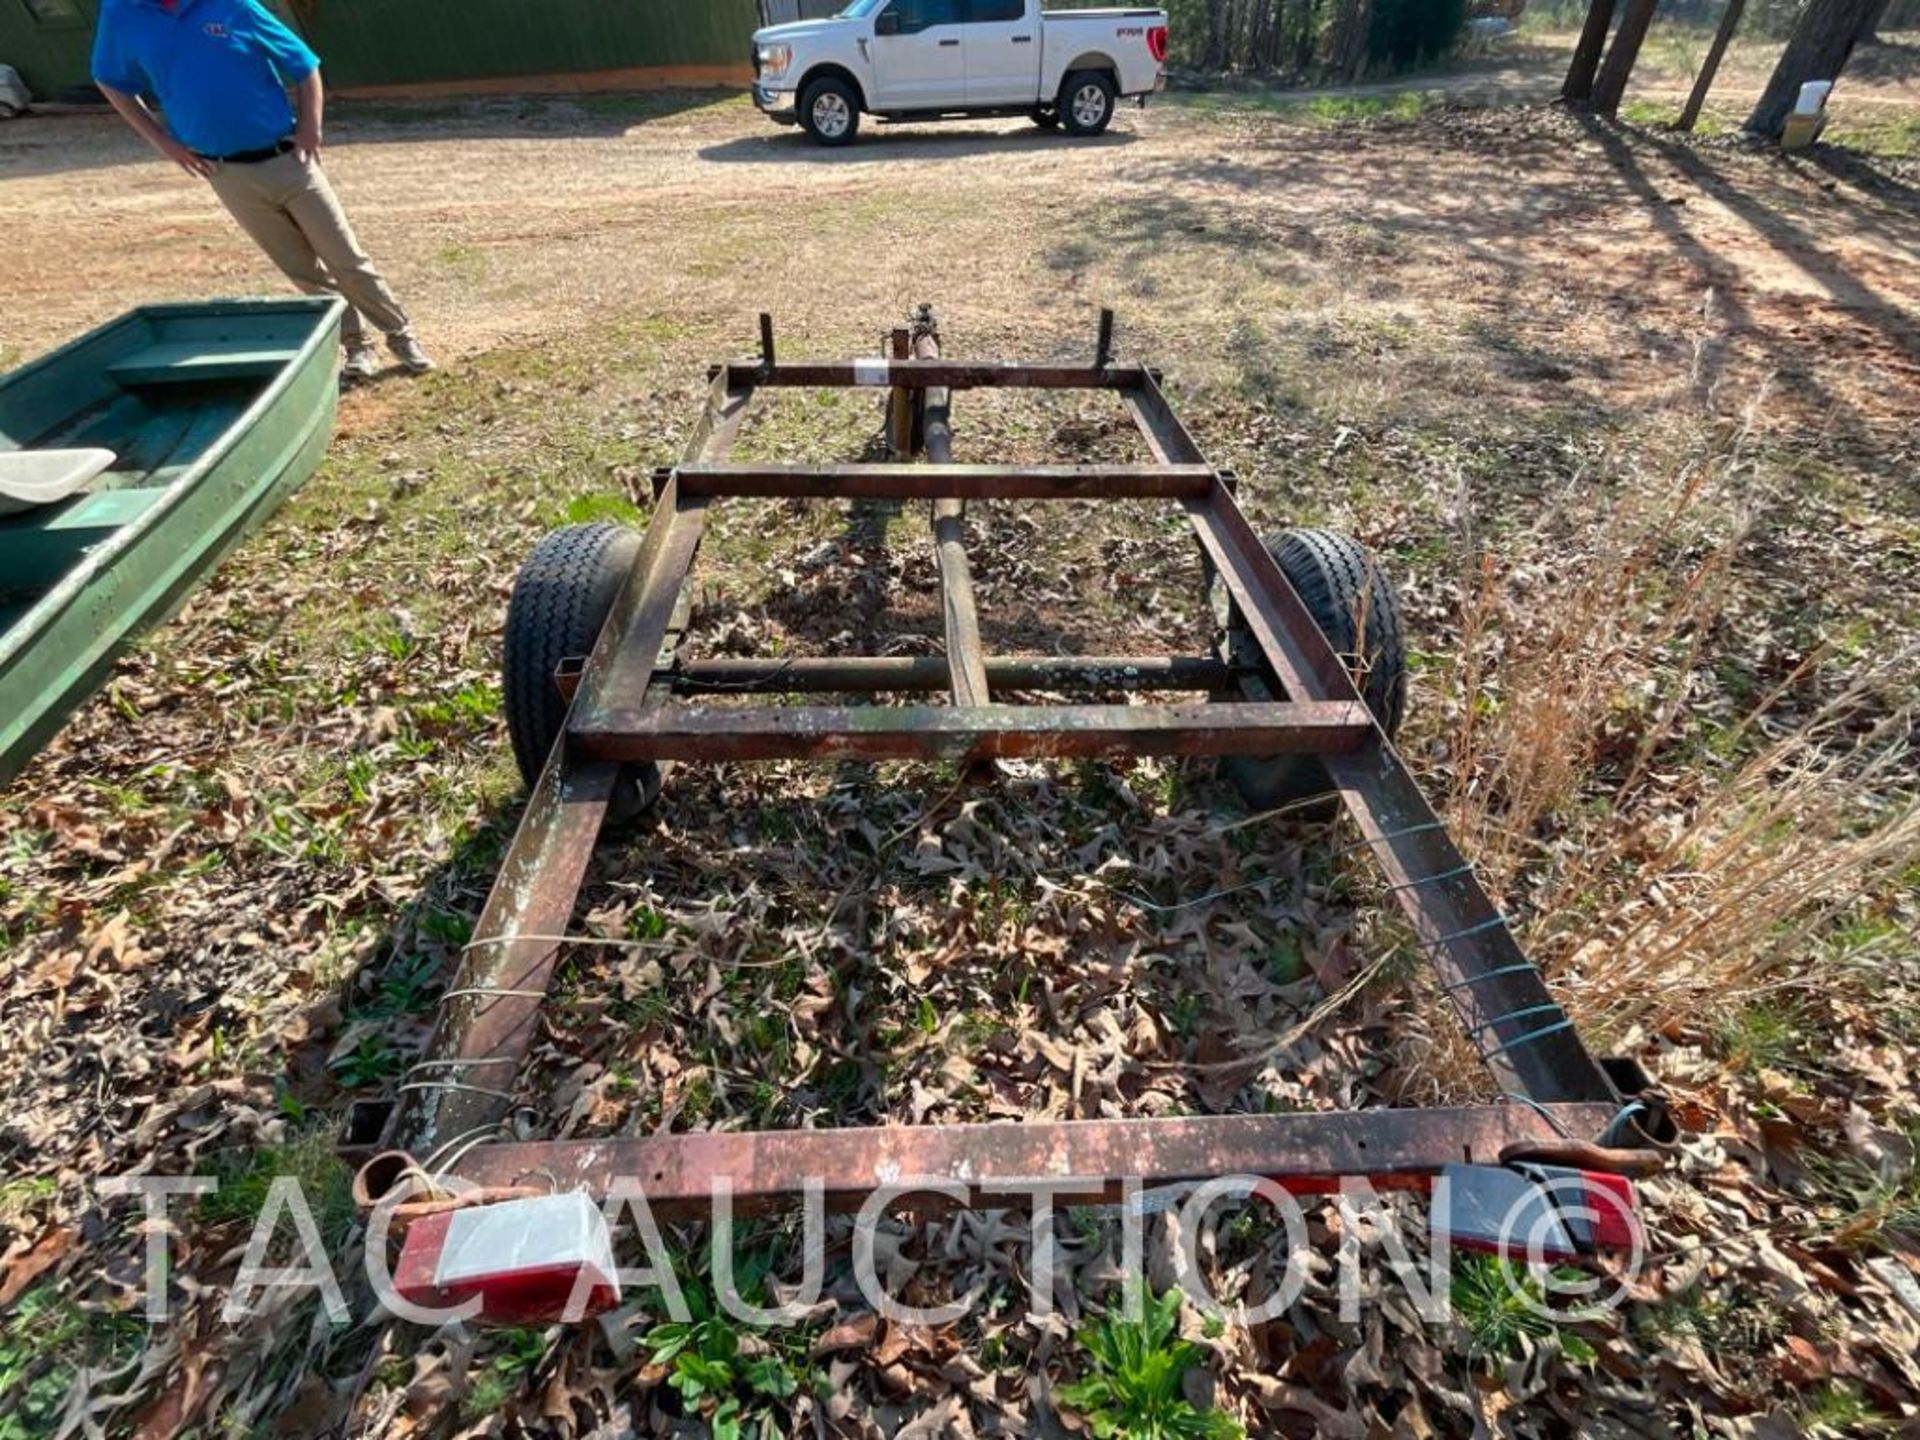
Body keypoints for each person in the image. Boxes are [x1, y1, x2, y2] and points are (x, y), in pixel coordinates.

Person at [91, 0, 434, 382]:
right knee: (303, 271)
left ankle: (400, 335)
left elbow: (304, 64)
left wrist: (310, 127)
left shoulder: (231, 4)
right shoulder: (121, 12)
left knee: (345, 259)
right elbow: (110, 79)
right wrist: (162, 142)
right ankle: (356, 347)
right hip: (224, 172)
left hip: (289, 161)